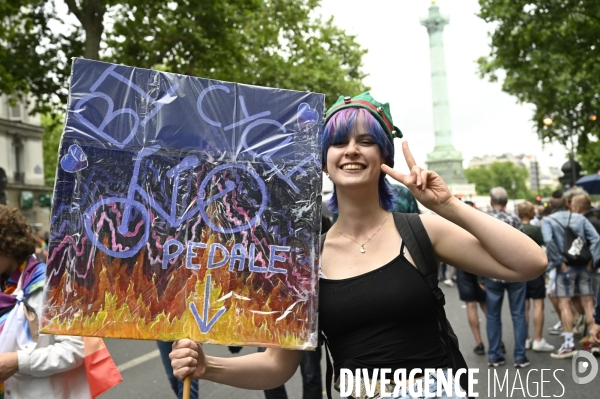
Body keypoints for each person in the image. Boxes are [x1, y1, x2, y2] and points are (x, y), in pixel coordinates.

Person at [170, 92, 546, 398]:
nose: (351, 150)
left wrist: (446, 206)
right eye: (338, 142)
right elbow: (276, 367)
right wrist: (208, 367)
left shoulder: (422, 232)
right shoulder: (303, 261)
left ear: (384, 157)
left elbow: (530, 263)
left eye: (365, 141)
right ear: (323, 161)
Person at [0, 205, 91, 398]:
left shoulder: (54, 284)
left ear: (7, 244)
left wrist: (18, 362)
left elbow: (75, 349)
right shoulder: (4, 285)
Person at [541, 192, 600, 359]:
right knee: (588, 303)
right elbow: (595, 239)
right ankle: (593, 340)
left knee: (565, 304)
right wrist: (592, 260)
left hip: (565, 268)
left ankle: (568, 344)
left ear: (551, 205)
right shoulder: (579, 218)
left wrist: (559, 261)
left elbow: (549, 241)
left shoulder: (548, 221)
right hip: (583, 265)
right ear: (566, 203)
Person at [484, 187, 530, 368]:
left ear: (491, 201)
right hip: (515, 274)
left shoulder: (484, 219)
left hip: (492, 273)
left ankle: (494, 355)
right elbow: (525, 247)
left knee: (493, 316)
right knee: (519, 314)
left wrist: (481, 277)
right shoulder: (514, 219)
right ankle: (520, 356)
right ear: (506, 201)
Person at [517, 201, 554, 352]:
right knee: (538, 304)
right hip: (535, 271)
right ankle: (538, 339)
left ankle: (525, 339)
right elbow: (544, 245)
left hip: (519, 271)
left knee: (523, 306)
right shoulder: (535, 229)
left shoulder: (514, 228)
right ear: (529, 213)